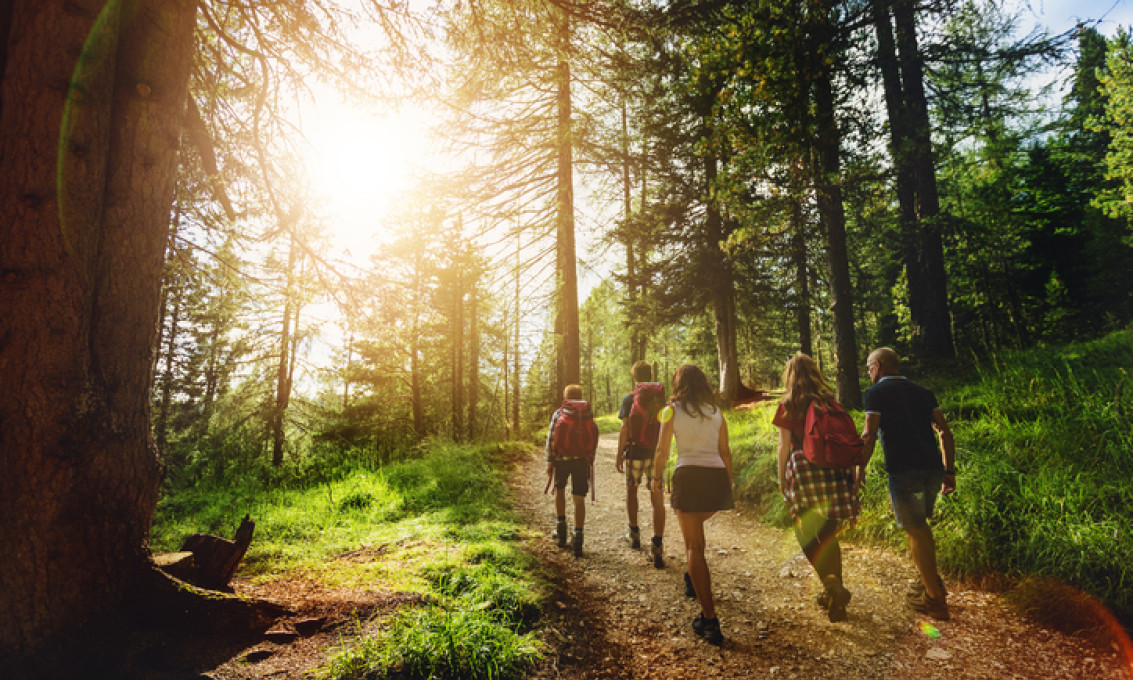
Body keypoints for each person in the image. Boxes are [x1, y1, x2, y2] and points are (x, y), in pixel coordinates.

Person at [860, 347, 956, 621]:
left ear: (878, 366)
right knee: (922, 528)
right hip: (932, 469)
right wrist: (949, 470)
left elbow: (868, 436)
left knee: (915, 530)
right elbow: (944, 432)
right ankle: (930, 583)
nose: (868, 373)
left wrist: (859, 470)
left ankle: (935, 600)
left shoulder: (876, 393)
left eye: (869, 367)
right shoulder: (924, 392)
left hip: (904, 471)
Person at [772, 353, 861, 622]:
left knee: (806, 535)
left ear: (790, 375)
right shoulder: (830, 401)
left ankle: (832, 586)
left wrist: (781, 479)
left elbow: (783, 447)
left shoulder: (788, 405)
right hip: (835, 469)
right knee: (829, 534)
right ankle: (837, 602)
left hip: (804, 469)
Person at [652, 364, 733, 645]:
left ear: (678, 383)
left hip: (689, 477)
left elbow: (663, 450)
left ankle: (709, 620)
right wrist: (728, 485)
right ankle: (693, 577)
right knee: (697, 537)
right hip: (716, 478)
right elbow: (725, 451)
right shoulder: (715, 411)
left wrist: (656, 477)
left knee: (693, 547)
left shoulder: (671, 409)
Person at [615, 360, 667, 567]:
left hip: (635, 451)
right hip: (655, 453)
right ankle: (657, 544)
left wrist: (620, 454)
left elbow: (625, 429)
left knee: (631, 490)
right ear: (651, 375)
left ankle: (634, 533)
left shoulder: (629, 399)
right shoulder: (661, 399)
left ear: (635, 377)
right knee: (657, 497)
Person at [546, 384, 599, 558]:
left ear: (566, 398)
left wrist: (549, 461)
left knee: (559, 491)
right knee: (579, 499)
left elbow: (551, 438)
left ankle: (561, 533)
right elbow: (592, 435)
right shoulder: (587, 414)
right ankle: (578, 538)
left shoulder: (559, 413)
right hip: (581, 460)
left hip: (562, 460)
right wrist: (590, 458)